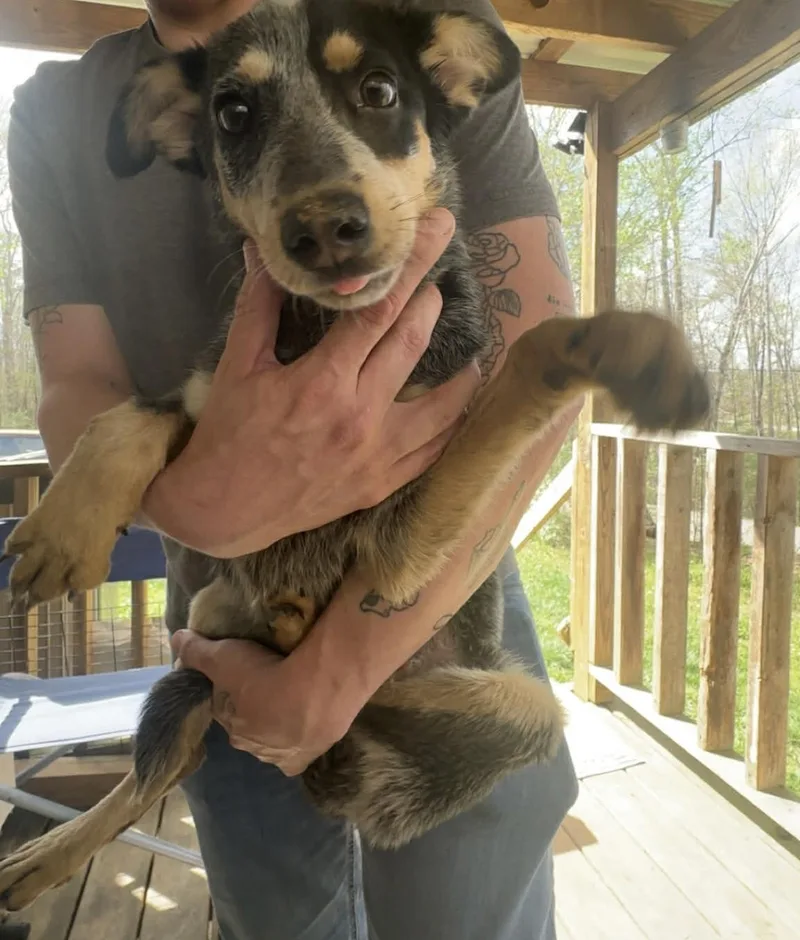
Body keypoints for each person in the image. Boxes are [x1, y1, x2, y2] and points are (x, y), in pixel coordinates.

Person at [8, 0, 580, 937]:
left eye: (375, 93)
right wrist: (202, 511)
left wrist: (346, 664)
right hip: (234, 608)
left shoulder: (408, 30)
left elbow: (541, 362)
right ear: (182, 128)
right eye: (237, 115)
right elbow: (75, 383)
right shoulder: (58, 109)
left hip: (445, 573)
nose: (323, 217)